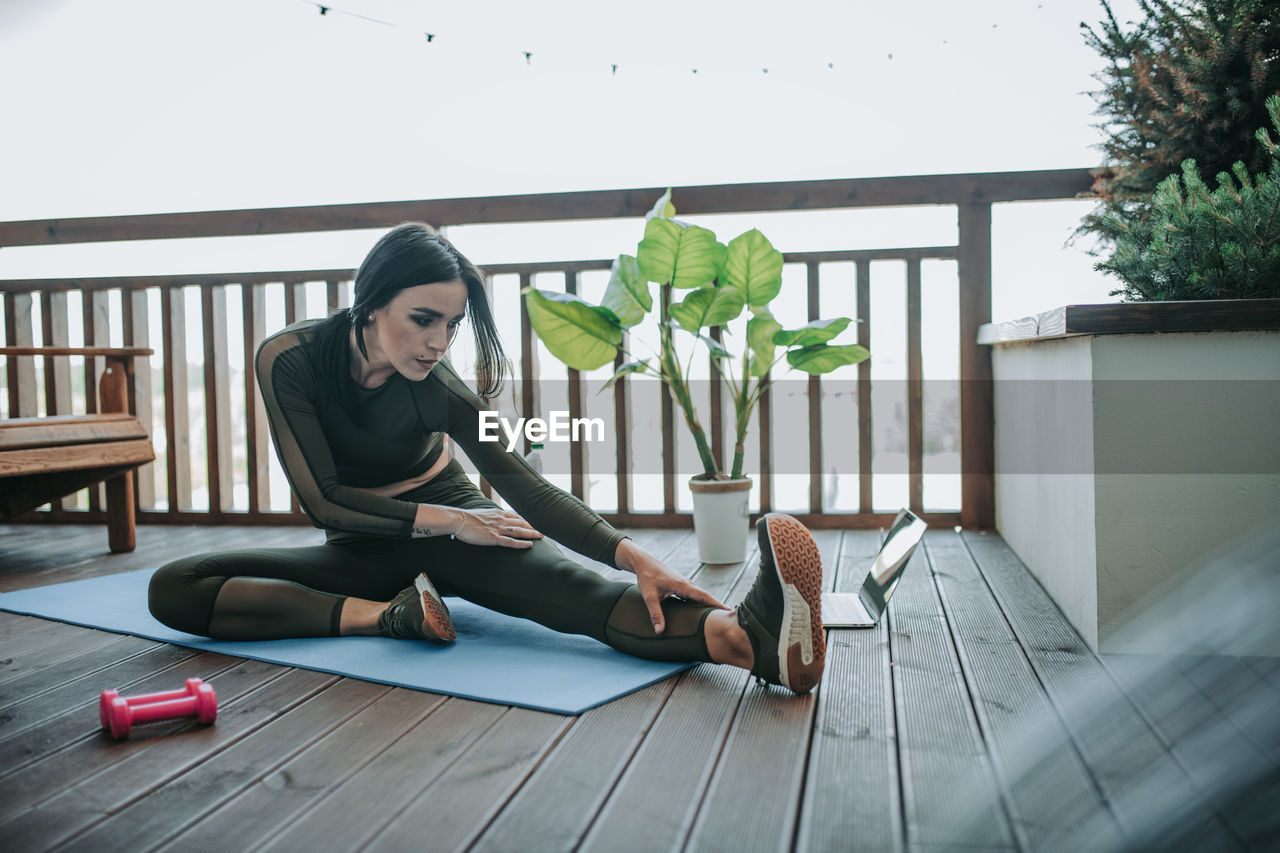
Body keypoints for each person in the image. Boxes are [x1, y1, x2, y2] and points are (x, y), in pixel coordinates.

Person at [148, 223, 827, 694]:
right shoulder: (289, 360)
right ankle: (387, 615)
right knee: (175, 586)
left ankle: (749, 641)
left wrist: (629, 554)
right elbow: (321, 499)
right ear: (372, 300)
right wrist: (438, 520)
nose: (439, 342)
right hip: (365, 545)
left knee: (577, 594)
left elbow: (523, 486)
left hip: (463, 528)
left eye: (452, 325)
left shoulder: (439, 388)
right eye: (423, 318)